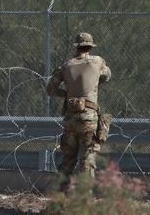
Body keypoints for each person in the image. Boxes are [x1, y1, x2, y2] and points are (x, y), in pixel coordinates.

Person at [45, 32, 112, 187]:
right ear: (90, 46)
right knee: (88, 156)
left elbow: (50, 89)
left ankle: (61, 196)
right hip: (88, 117)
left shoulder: (65, 65)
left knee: (68, 159)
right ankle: (85, 197)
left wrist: (67, 94)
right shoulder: (98, 61)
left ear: (76, 47)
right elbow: (107, 76)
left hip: (70, 119)